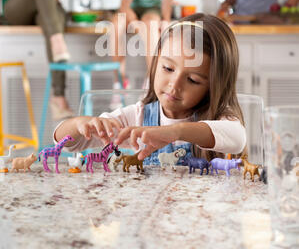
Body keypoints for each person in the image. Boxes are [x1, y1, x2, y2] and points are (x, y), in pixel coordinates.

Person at [54, 14, 247, 164]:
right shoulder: (137, 117)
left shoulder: (218, 119)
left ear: (214, 86)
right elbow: (67, 143)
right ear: (155, 63)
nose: (174, 84)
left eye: (193, 80)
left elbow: (238, 138)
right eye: (168, 68)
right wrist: (79, 124)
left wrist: (176, 132)